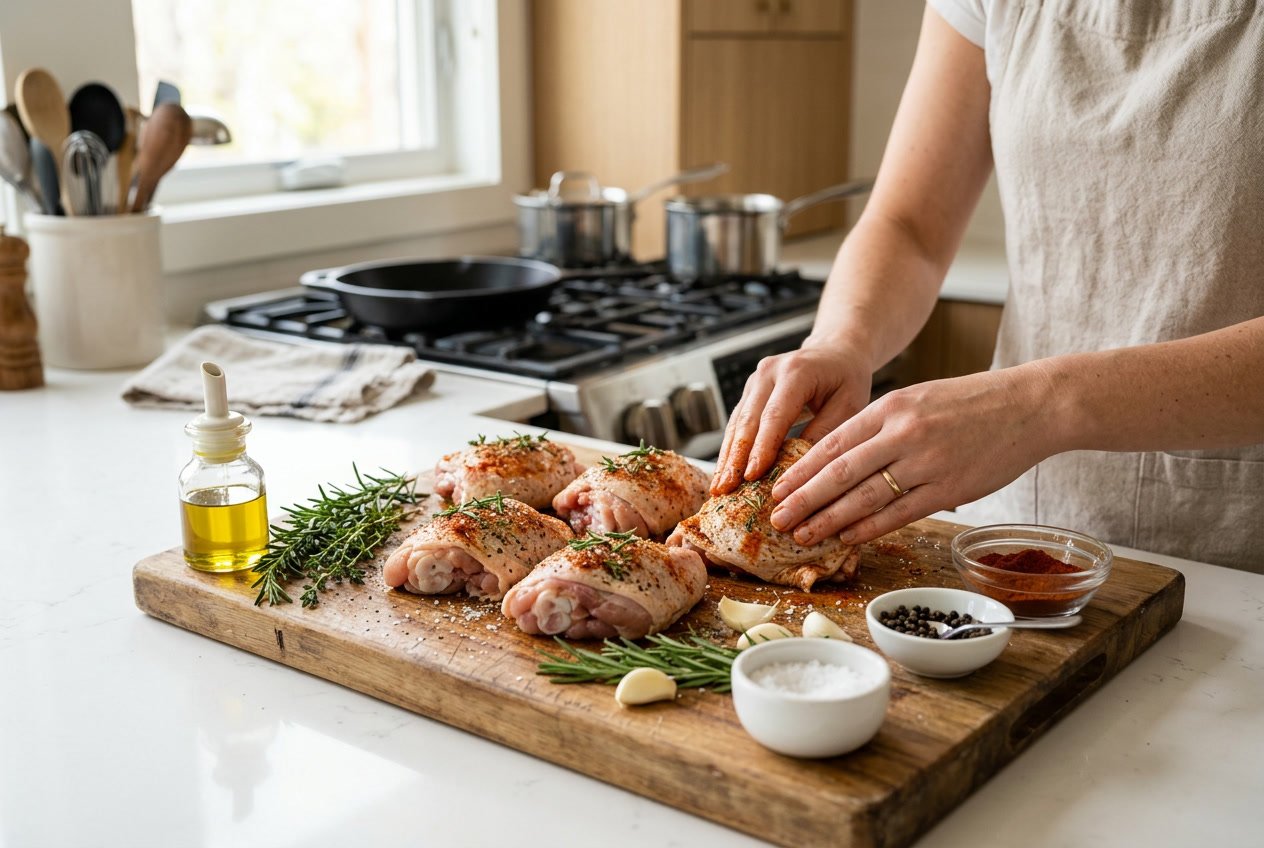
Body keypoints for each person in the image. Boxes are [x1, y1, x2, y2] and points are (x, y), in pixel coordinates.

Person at [711, 1, 1264, 573]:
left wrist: (1037, 406)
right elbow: (910, 227)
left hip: (1239, 549)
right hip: (1019, 523)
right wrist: (842, 340)